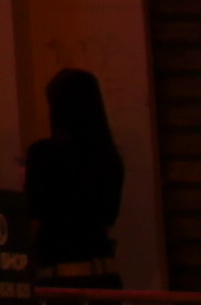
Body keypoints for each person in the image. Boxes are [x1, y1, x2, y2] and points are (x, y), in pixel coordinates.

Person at [23, 67, 128, 283]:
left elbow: (34, 213)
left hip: (57, 274)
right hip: (104, 272)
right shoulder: (109, 157)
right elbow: (109, 216)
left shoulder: (43, 153)